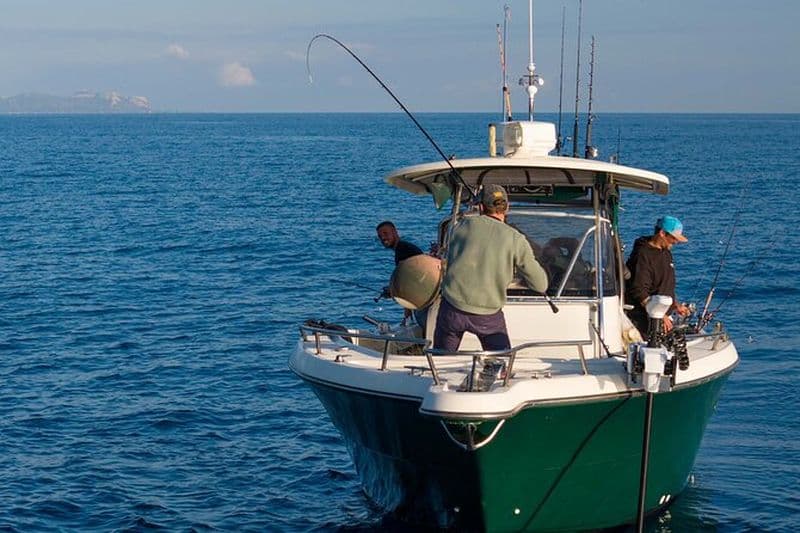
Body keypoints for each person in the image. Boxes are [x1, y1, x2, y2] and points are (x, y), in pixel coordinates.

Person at [433, 184, 549, 352]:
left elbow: (450, 255)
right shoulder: (516, 239)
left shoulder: (458, 226)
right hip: (488, 316)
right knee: (501, 363)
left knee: (440, 361)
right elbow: (540, 285)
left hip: (452, 309)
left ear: (480, 207)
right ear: (507, 208)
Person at [625, 215, 691, 338]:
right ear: (662, 233)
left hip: (662, 317)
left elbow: (662, 285)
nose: (676, 242)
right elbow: (639, 290)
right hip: (645, 321)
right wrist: (660, 315)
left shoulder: (665, 252)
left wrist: (675, 305)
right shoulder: (643, 255)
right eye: (673, 238)